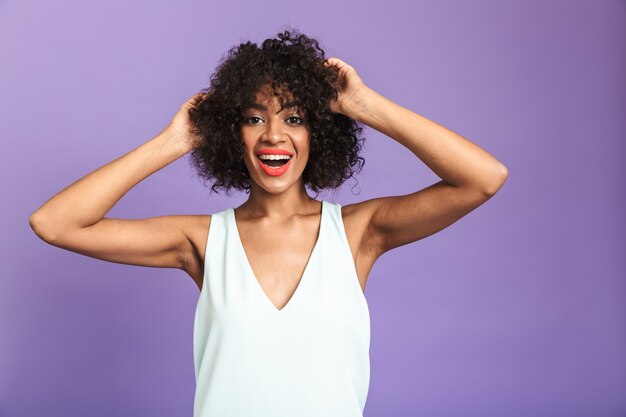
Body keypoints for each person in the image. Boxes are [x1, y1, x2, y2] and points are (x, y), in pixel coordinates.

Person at [29, 29, 508, 417]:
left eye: (295, 118)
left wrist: (364, 106)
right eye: (254, 119)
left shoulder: (360, 232)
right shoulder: (200, 240)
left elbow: (483, 178)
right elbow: (55, 223)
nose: (274, 135)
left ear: (318, 133)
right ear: (231, 134)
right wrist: (174, 141)